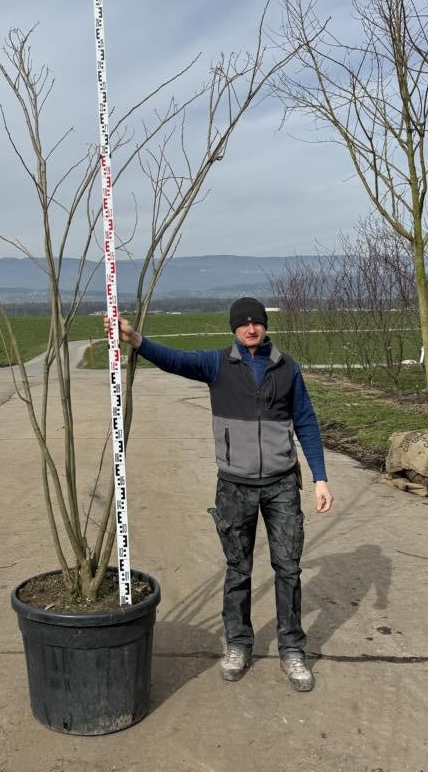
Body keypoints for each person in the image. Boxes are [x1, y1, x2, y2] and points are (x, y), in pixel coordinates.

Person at [107, 296, 333, 692]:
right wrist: (137, 340)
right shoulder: (217, 365)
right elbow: (175, 359)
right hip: (234, 485)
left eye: (257, 322)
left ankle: (292, 648)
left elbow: (306, 421)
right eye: (243, 323)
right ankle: (239, 644)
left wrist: (320, 477)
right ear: (233, 328)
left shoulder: (287, 368)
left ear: (265, 326)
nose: (251, 328)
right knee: (238, 570)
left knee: (289, 569)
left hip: (281, 484)